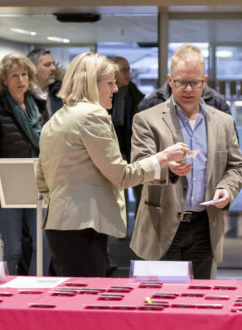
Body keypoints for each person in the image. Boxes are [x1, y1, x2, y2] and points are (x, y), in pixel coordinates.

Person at [36, 52, 189, 277]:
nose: (115, 89)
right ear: (91, 84)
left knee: (71, 303)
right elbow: (121, 176)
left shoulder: (56, 119)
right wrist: (162, 157)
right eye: (110, 83)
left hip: (59, 226)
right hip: (84, 228)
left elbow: (41, 180)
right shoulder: (92, 116)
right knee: (89, 304)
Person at [130, 44, 242, 279]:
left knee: (199, 304)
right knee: (161, 305)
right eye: (181, 82)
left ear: (205, 81)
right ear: (170, 80)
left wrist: (226, 189)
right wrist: (168, 169)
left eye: (194, 82)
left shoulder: (222, 121)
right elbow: (138, 167)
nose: (188, 89)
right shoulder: (146, 120)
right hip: (160, 225)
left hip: (205, 225)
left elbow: (237, 166)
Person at [0, 53, 48, 276]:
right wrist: (2, 184)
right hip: (7, 191)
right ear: (4, 81)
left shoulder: (39, 108)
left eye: (25, 74)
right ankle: (9, 292)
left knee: (42, 246)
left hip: (38, 187)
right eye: (14, 75)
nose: (21, 80)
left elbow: (49, 145)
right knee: (13, 249)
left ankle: (36, 289)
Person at [109, 56, 145, 218]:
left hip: (136, 151)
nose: (127, 73)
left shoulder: (136, 96)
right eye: (123, 70)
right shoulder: (106, 95)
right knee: (119, 193)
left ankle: (139, 228)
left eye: (128, 69)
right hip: (115, 152)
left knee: (141, 192)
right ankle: (121, 228)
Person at [27, 48, 62, 116]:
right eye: (47, 65)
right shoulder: (23, 94)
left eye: (53, 64)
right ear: (33, 68)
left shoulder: (60, 92)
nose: (53, 68)